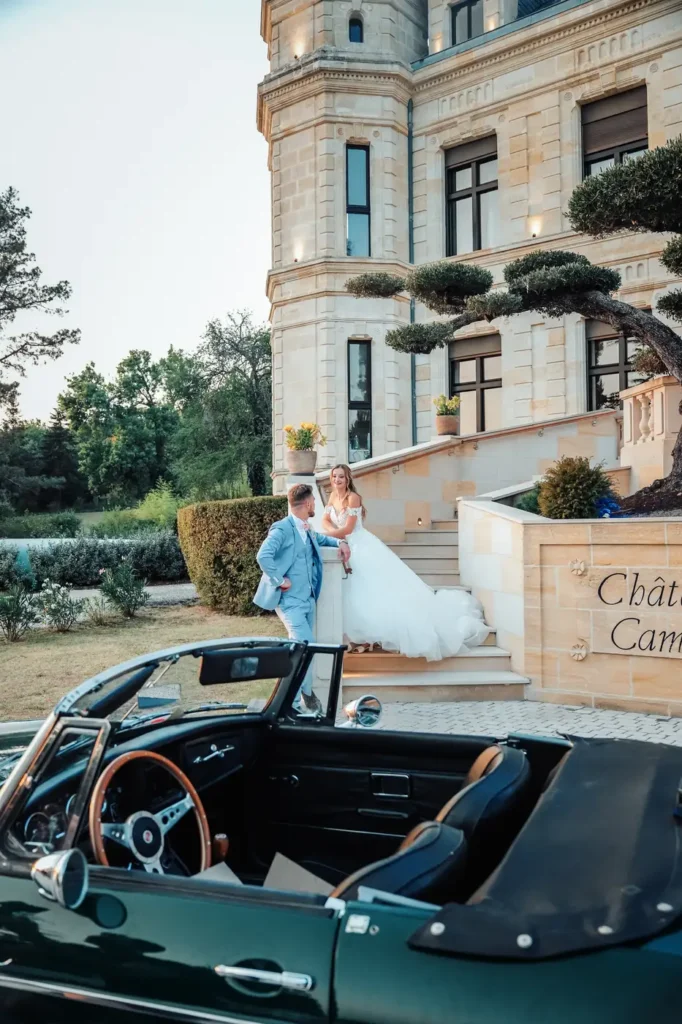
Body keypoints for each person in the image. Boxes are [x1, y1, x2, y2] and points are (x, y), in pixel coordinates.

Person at [320, 464, 489, 660]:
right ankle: (357, 634)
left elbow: (349, 529)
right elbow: (324, 519)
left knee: (369, 589)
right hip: (343, 544)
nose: (337, 480)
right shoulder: (333, 496)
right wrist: (332, 533)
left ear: (347, 479)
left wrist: (327, 535)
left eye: (341, 477)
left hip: (359, 545)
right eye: (334, 477)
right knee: (351, 590)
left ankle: (375, 632)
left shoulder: (353, 498)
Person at [254, 483, 350, 713]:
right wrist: (279, 580)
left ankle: (303, 694)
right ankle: (293, 704)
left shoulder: (306, 528)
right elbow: (263, 555)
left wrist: (341, 542)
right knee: (303, 650)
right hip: (289, 603)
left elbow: (321, 540)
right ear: (307, 503)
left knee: (304, 649)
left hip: (308, 601)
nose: (315, 505)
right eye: (314, 502)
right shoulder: (282, 529)